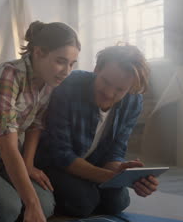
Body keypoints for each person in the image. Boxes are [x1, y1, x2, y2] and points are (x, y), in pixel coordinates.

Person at [0, 21, 81, 222]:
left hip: (5, 157)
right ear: (38, 53)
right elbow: (7, 145)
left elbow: (35, 126)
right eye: (61, 61)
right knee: (7, 209)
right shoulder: (8, 75)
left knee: (45, 207)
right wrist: (31, 204)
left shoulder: (50, 81)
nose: (67, 71)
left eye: (72, 64)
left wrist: (28, 165)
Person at [35, 44, 159, 218]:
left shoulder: (133, 101)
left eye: (119, 89)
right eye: (106, 82)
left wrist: (123, 172)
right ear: (96, 69)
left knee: (118, 202)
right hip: (53, 163)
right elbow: (60, 154)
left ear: (130, 88)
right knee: (84, 203)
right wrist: (110, 177)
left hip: (92, 163)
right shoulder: (69, 86)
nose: (109, 93)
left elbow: (115, 150)